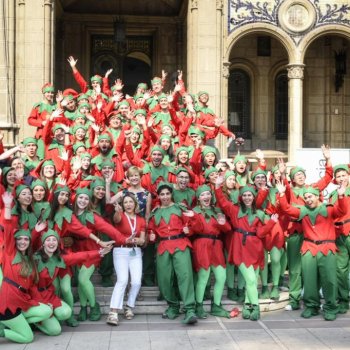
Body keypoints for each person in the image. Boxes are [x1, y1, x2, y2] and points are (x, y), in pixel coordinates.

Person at [276, 180, 347, 320]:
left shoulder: (328, 208)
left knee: (329, 280)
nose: (308, 200)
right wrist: (282, 193)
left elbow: (342, 211)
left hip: (327, 248)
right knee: (309, 280)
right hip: (309, 249)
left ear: (317, 196)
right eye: (306, 197)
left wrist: (341, 196)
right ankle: (311, 306)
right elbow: (287, 209)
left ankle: (331, 307)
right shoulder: (303, 211)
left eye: (310, 197)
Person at [215, 177, 278, 321]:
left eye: (249, 195)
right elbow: (222, 202)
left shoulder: (260, 213)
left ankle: (248, 304)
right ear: (240, 197)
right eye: (244, 195)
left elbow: (261, 233)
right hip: (240, 248)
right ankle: (256, 307)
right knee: (250, 279)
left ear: (254, 197)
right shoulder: (234, 209)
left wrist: (272, 223)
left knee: (253, 280)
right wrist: (217, 187)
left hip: (255, 248)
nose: (247, 197)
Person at [0, 192, 52, 344]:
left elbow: (32, 286)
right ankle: (3, 331)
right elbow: (8, 227)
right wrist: (8, 206)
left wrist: (35, 232)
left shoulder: (29, 260)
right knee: (28, 338)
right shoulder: (10, 252)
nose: (23, 242)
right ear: (14, 242)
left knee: (47, 310)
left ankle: (18, 323)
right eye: (19, 239)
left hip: (22, 300)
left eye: (25, 239)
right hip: (8, 302)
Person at [148, 182, 197, 324]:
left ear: (171, 194)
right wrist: (151, 236)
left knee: (185, 276)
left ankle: (189, 309)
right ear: (159, 196)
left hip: (180, 244)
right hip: (163, 246)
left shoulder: (180, 208)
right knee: (163, 279)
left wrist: (190, 230)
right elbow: (151, 230)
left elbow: (192, 225)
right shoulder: (155, 213)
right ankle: (173, 306)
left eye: (167, 194)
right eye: (162, 194)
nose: (165, 197)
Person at [189, 185, 232, 318]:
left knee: (221, 277)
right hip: (202, 244)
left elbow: (227, 229)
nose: (206, 197)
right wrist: (193, 218)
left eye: (208, 194)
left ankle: (216, 306)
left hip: (216, 245)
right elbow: (194, 230)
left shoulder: (217, 210)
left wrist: (222, 222)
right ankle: (199, 306)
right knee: (203, 277)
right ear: (198, 198)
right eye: (203, 195)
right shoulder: (194, 211)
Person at [107, 192, 146, 325]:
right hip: (120, 251)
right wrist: (117, 212)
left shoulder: (141, 220)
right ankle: (113, 313)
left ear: (135, 203)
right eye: (125, 202)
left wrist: (134, 240)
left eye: (130, 202)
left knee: (136, 282)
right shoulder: (120, 215)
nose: (128, 204)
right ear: (122, 205)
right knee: (122, 280)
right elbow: (116, 219)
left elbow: (142, 240)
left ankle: (129, 306)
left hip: (135, 251)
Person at [329, 164, 350, 314]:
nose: (341, 178)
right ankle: (343, 300)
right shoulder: (333, 195)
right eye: (338, 176)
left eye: (344, 175)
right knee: (340, 271)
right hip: (339, 235)